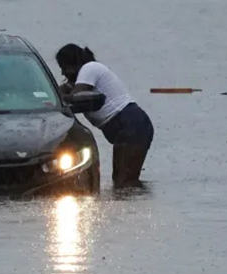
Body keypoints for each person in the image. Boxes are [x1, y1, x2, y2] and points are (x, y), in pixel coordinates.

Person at [55, 44, 154, 188]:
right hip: (134, 125)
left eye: (64, 68)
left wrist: (57, 99)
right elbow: (58, 93)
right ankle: (138, 200)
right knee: (124, 181)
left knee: (124, 182)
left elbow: (76, 98)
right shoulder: (82, 77)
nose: (63, 73)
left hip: (131, 124)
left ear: (74, 63)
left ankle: (137, 202)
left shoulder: (90, 68)